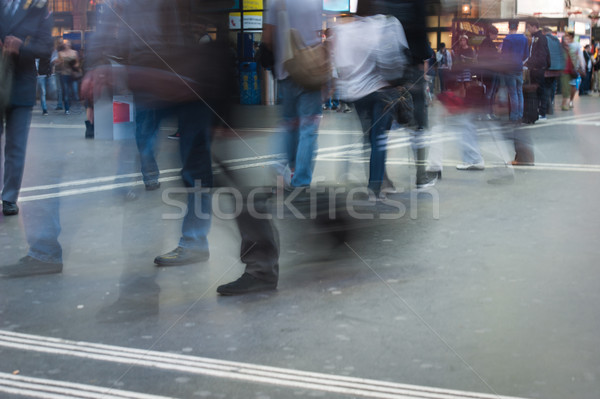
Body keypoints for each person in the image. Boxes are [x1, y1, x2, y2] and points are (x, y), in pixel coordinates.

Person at [0, 0, 53, 217]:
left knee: (16, 146)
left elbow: (46, 47)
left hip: (21, 85)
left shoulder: (38, 7)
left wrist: (21, 47)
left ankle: (9, 197)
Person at [263, 0, 324, 189]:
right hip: (312, 71)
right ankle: (302, 180)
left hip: (287, 70)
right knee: (308, 128)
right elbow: (318, 36)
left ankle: (290, 168)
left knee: (290, 123)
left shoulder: (275, 2)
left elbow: (268, 38)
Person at [501, 19, 529, 122]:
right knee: (519, 92)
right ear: (517, 27)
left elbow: (504, 55)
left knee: (512, 93)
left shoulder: (507, 39)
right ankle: (520, 115)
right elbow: (526, 54)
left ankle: (514, 116)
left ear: (509, 27)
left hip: (509, 69)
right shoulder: (524, 38)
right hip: (519, 68)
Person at [524, 18, 550, 121]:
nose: (528, 29)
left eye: (529, 27)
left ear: (534, 26)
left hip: (538, 69)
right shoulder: (534, 37)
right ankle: (537, 112)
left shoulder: (541, 38)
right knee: (536, 91)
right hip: (534, 68)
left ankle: (542, 113)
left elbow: (541, 55)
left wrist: (531, 63)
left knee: (540, 91)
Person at [477, 25, 500, 120]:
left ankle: (489, 112)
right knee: (490, 92)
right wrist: (498, 53)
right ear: (490, 33)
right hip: (490, 71)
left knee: (490, 92)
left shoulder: (486, 42)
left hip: (488, 71)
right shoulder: (488, 43)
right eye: (495, 34)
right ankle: (487, 112)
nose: (496, 36)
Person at [542, 26, 565, 115]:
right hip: (557, 68)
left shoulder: (545, 39)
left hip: (549, 67)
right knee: (552, 86)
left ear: (544, 32)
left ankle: (547, 107)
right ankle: (550, 103)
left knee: (546, 87)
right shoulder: (557, 41)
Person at [56, 40, 79, 115]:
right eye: (65, 44)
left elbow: (77, 62)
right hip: (64, 74)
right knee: (66, 92)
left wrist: (76, 66)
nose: (66, 45)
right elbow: (58, 64)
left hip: (72, 74)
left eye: (68, 43)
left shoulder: (74, 52)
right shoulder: (60, 53)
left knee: (75, 91)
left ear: (70, 44)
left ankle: (73, 105)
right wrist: (60, 63)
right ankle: (67, 108)